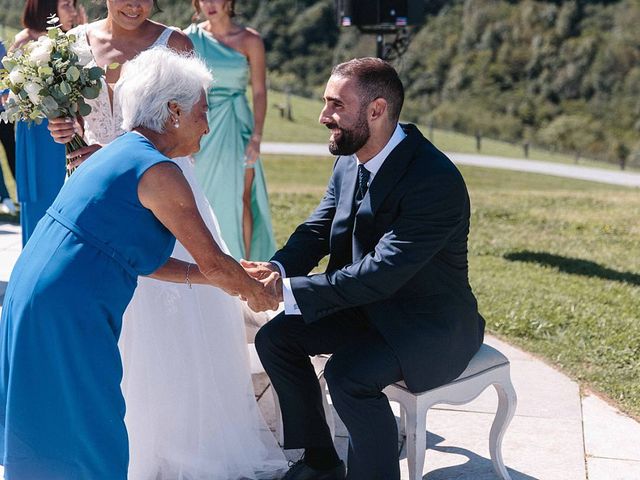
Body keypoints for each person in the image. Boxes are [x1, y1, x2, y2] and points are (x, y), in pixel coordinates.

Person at [0, 46, 281, 480]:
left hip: (39, 295)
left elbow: (134, 256)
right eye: (202, 112)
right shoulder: (159, 172)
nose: (207, 125)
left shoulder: (123, 151)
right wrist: (253, 290)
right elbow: (212, 263)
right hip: (67, 308)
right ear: (173, 111)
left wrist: (228, 273)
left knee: (54, 429)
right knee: (92, 430)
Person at [244, 58, 486, 480]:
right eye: (325, 103)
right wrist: (276, 270)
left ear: (376, 110)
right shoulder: (350, 157)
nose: (324, 117)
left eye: (336, 105)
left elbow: (382, 272)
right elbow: (318, 229)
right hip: (365, 308)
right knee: (276, 339)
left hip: (425, 324)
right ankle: (320, 462)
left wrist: (288, 292)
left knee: (347, 376)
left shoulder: (434, 180)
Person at [186, 0, 276, 261]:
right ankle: (207, 267)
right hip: (202, 127)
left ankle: (244, 267)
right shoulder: (189, 38)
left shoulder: (250, 40)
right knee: (201, 200)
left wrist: (257, 136)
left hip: (238, 127)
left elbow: (259, 92)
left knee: (242, 199)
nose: (210, 5)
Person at [9, 0, 82, 242]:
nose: (72, 11)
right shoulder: (24, 41)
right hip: (37, 133)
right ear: (48, 6)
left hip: (69, 130)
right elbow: (9, 93)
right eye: (67, 5)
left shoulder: (68, 40)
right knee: (43, 201)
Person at [0, 40, 17, 215]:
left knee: (11, 151)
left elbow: (5, 75)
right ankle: (5, 197)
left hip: (3, 112)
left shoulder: (0, 46)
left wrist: (4, 94)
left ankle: (20, 191)